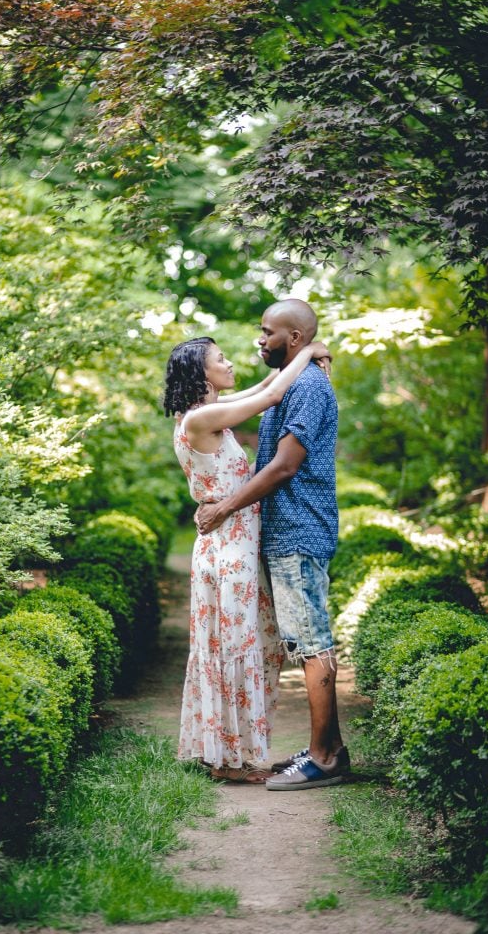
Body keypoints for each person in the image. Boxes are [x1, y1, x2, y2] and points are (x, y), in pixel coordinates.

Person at [164, 335, 331, 783]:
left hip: (231, 543)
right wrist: (307, 354)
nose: (230, 361)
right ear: (202, 373)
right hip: (229, 548)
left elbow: (263, 386)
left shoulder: (203, 412)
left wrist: (297, 358)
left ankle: (228, 754)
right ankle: (228, 762)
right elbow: (273, 395)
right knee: (234, 648)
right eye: (221, 359)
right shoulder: (203, 417)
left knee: (235, 646)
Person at [197, 299, 349, 790]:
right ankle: (329, 747)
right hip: (283, 532)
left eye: (268, 332)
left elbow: (284, 466)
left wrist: (224, 508)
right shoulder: (291, 382)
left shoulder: (306, 386)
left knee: (310, 643)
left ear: (295, 339)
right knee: (303, 640)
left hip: (299, 532)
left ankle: (325, 758)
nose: (260, 340)